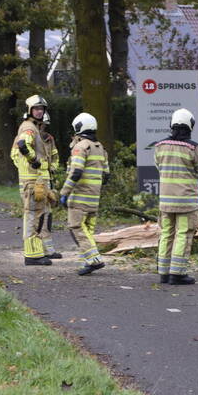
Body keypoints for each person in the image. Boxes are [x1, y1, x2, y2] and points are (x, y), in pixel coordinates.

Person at [154, 108, 198, 285]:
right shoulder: (193, 147)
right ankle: (177, 274)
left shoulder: (159, 146)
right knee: (183, 233)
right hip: (186, 201)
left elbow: (158, 166)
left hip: (165, 201)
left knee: (167, 233)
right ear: (189, 126)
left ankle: (163, 272)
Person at [59, 113, 110, 275]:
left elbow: (76, 172)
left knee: (76, 227)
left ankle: (94, 259)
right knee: (87, 230)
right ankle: (86, 262)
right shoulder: (101, 148)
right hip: (94, 197)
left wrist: (64, 192)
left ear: (78, 127)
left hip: (80, 197)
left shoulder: (80, 147)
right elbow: (106, 174)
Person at [10, 94, 51, 266]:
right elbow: (22, 145)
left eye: (41, 109)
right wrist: (33, 160)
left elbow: (15, 154)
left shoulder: (31, 127)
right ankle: (32, 255)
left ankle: (35, 252)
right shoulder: (29, 128)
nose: (40, 112)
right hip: (32, 182)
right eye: (36, 109)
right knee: (33, 216)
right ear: (29, 110)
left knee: (37, 215)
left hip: (34, 181)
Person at [39, 112, 62, 260]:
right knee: (38, 215)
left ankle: (48, 249)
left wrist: (53, 166)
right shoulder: (25, 137)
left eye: (44, 125)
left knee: (48, 214)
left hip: (47, 178)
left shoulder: (49, 139)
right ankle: (38, 249)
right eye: (41, 124)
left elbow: (55, 156)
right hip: (34, 180)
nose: (43, 127)